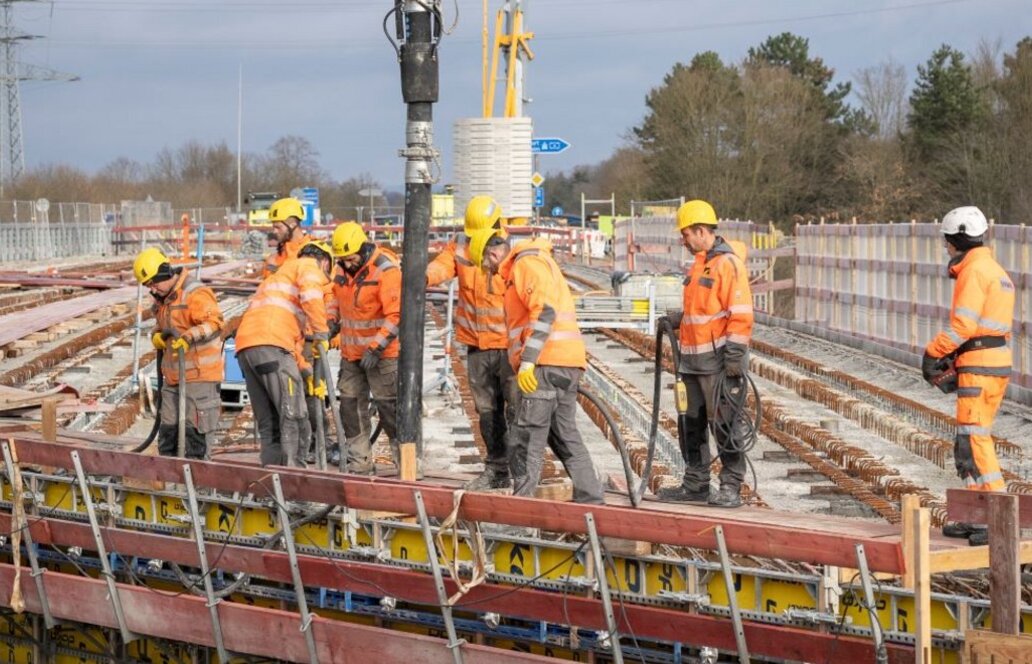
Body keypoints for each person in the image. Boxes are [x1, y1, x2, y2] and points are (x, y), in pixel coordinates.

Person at [468, 227, 605, 505]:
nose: (489, 272)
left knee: (525, 439)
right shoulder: (534, 262)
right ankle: (592, 502)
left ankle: (520, 513)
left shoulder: (525, 264)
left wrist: (528, 361)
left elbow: (545, 311)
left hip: (545, 363)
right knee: (564, 435)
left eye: (486, 266)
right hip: (565, 363)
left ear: (492, 254)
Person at [922, 206, 1013, 547]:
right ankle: (976, 515)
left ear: (958, 239)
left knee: (975, 440)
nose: (946, 246)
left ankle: (997, 519)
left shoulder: (974, 272)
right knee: (969, 440)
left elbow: (963, 326)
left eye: (947, 240)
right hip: (991, 362)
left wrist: (933, 353)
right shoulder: (994, 270)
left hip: (980, 365)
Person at [657, 199, 753, 508]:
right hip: (692, 363)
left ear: (701, 231)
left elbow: (740, 314)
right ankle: (695, 484)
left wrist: (734, 357)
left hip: (719, 364)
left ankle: (731, 486)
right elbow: (701, 312)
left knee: (725, 425)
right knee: (691, 425)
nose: (682, 241)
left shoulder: (729, 265)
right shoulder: (699, 264)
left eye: (685, 234)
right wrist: (677, 320)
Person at [426, 196, 515, 490]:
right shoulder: (460, 247)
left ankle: (523, 471)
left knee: (518, 410)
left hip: (510, 347)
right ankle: (497, 470)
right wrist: (421, 277)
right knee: (487, 412)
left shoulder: (510, 252)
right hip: (477, 346)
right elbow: (440, 268)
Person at [235, 241, 333, 467]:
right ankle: (293, 481)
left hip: (248, 350)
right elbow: (311, 294)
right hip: (272, 348)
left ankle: (273, 478)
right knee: (294, 417)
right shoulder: (308, 266)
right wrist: (321, 333)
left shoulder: (278, 278)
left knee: (270, 423)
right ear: (325, 262)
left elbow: (288, 343)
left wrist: (306, 371)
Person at [133, 248, 225, 460]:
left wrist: (189, 337)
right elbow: (161, 326)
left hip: (199, 379)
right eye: (148, 286)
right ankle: (169, 477)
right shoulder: (163, 300)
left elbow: (215, 323)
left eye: (153, 283)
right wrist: (156, 335)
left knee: (195, 439)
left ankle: (195, 479)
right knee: (168, 436)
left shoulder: (195, 293)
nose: (152, 289)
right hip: (173, 379)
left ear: (164, 273)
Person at [327, 222, 402, 474]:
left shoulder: (385, 270)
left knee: (390, 410)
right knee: (349, 407)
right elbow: (335, 299)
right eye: (343, 260)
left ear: (363, 248)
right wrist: (330, 322)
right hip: (351, 356)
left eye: (351, 259)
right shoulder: (341, 269)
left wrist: (376, 348)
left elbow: (396, 315)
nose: (347, 264)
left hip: (383, 356)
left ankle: (406, 462)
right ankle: (360, 461)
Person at [262, 197, 312, 279]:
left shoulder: (313, 253)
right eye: (274, 227)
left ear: (293, 224)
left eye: (278, 227)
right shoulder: (275, 257)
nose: (274, 231)